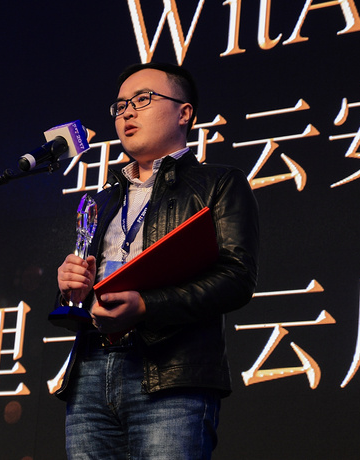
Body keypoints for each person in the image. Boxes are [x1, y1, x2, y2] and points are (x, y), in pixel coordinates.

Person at [55, 62, 259, 460]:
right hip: (91, 370)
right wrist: (71, 288)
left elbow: (237, 277)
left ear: (185, 113)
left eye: (142, 99)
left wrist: (147, 305)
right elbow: (79, 294)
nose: (127, 112)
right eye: (120, 106)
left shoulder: (219, 183)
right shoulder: (102, 199)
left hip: (171, 372)